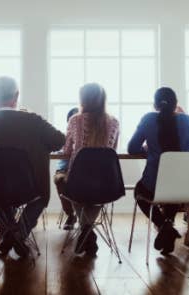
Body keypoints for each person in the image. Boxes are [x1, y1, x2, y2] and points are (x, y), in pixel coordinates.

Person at [0, 76, 65, 258]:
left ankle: (9, 236)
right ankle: (18, 234)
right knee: (40, 198)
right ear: (16, 95)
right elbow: (60, 140)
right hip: (28, 187)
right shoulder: (33, 120)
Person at [128, 87, 189, 255]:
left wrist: (149, 152)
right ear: (175, 104)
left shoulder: (148, 119)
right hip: (186, 186)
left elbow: (132, 147)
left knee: (139, 191)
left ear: (155, 104)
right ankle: (168, 225)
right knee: (173, 187)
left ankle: (164, 225)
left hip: (155, 185)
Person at [62, 83, 119, 255]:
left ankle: (86, 230)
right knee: (96, 195)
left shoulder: (75, 120)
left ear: (82, 99)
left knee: (70, 187)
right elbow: (113, 151)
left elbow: (66, 151)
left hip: (78, 179)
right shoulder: (114, 122)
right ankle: (88, 231)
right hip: (106, 180)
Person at [54, 107, 80, 230]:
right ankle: (70, 215)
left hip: (83, 170)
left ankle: (85, 217)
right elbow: (61, 150)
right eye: (71, 118)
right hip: (64, 169)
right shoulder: (64, 136)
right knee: (60, 180)